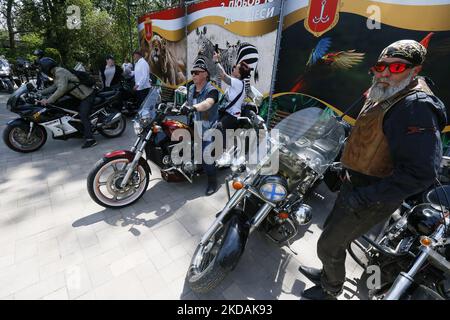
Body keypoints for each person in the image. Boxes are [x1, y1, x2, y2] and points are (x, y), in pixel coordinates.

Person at [298, 39, 447, 300]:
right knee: (332, 234)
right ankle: (328, 274)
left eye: (397, 67)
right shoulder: (387, 90)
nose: (386, 72)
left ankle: (330, 288)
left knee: (329, 244)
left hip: (371, 195)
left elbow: (422, 171)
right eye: (381, 66)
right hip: (354, 183)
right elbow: (371, 136)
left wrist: (365, 196)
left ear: (415, 70)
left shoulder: (417, 107)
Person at [37, 57, 98, 149]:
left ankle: (91, 139)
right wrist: (38, 93)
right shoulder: (55, 73)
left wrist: (48, 100)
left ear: (46, 67)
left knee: (83, 114)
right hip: (79, 96)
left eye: (42, 68)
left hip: (87, 95)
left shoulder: (59, 72)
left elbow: (61, 89)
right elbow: (54, 87)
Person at [184, 56, 220, 196]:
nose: (193, 74)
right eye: (192, 72)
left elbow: (208, 103)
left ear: (205, 74)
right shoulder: (191, 88)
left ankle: (212, 181)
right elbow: (188, 103)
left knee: (205, 155)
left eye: (197, 72)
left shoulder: (212, 90)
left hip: (208, 127)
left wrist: (194, 107)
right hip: (195, 124)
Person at [212, 52, 251, 132]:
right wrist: (219, 60)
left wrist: (216, 62)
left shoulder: (238, 83)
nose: (233, 68)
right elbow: (224, 74)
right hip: (227, 113)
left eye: (236, 68)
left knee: (218, 130)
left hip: (232, 116)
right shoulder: (237, 82)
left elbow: (223, 76)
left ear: (239, 74)